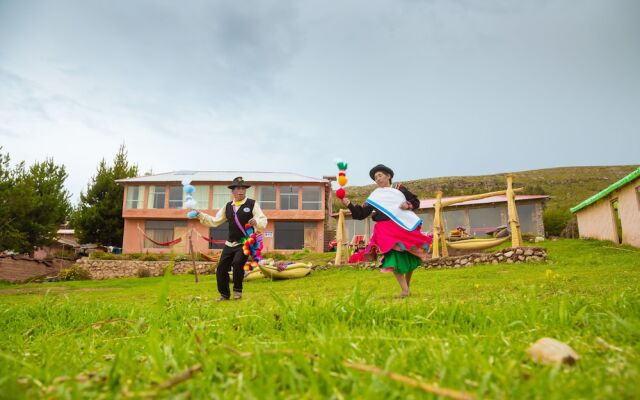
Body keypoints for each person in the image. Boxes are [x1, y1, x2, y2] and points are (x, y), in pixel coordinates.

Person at [340, 164, 429, 298]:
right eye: (375, 178)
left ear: (388, 176)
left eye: (380, 175)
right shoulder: (375, 196)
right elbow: (362, 213)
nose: (378, 179)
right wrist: (350, 205)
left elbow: (415, 201)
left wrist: (407, 205)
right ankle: (404, 290)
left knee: (411, 255)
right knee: (391, 258)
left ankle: (407, 288)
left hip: (402, 226)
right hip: (385, 230)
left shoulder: (399, 188)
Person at [188, 177, 267, 301]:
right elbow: (215, 221)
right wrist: (200, 214)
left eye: (243, 188)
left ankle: (237, 291)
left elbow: (263, 220)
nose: (241, 191)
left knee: (237, 264)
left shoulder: (252, 204)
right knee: (221, 269)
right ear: (233, 191)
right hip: (229, 244)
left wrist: (256, 221)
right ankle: (224, 294)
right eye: (238, 188)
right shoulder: (227, 206)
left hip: (245, 243)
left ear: (246, 190)